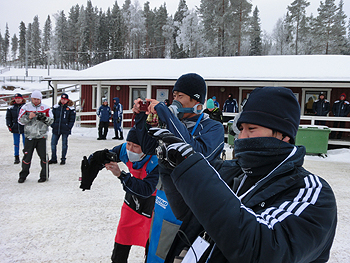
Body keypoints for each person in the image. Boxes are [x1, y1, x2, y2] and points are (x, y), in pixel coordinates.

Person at [150, 86, 337, 262]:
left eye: (251, 129)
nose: (241, 137)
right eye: (240, 129)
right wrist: (171, 167)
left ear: (283, 134)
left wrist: (195, 169)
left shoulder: (312, 191)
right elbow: (187, 212)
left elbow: (263, 250)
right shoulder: (233, 170)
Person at [132, 73, 225, 263]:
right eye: (174, 96)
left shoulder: (212, 127)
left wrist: (167, 115)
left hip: (189, 206)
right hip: (163, 200)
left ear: (196, 100)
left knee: (173, 251)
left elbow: (197, 153)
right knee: (155, 249)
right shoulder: (173, 122)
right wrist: (141, 118)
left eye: (180, 96)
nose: (175, 100)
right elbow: (148, 148)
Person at [80, 127, 159, 263]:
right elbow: (106, 157)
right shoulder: (124, 150)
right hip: (132, 199)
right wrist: (94, 163)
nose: (130, 149)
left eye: (136, 146)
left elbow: (146, 189)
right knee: (123, 236)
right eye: (129, 143)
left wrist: (121, 175)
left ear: (147, 147)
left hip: (153, 203)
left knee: (151, 242)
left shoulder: (157, 160)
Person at [17, 90, 53, 183]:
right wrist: (29, 117)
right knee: (27, 157)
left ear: (40, 99)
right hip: (30, 136)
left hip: (42, 136)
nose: (36, 101)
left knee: (44, 157)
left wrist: (44, 118)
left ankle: (44, 175)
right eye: (34, 99)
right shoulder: (25, 107)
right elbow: (20, 120)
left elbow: (51, 121)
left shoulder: (46, 108)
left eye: (38, 99)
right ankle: (23, 175)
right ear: (31, 98)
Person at [49, 93, 76, 165]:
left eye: (65, 100)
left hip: (65, 129)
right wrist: (53, 125)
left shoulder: (70, 109)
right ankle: (53, 158)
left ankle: (63, 158)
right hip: (56, 128)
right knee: (53, 144)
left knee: (64, 144)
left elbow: (72, 120)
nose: (63, 101)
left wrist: (68, 127)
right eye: (62, 99)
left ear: (67, 100)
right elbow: (51, 117)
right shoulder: (56, 107)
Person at [6, 93, 26, 164]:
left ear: (22, 99)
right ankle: (16, 157)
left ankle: (26, 156)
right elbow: (8, 118)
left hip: (24, 128)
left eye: (19, 98)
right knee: (16, 143)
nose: (18, 100)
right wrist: (9, 125)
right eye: (16, 98)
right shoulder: (11, 108)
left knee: (25, 143)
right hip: (15, 127)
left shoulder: (25, 107)